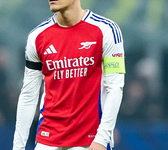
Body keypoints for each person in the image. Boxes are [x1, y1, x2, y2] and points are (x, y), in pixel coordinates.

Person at [12, 0, 125, 150]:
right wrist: (18, 147)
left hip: (89, 142)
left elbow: (115, 87)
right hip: (47, 140)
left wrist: (102, 138)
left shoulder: (107, 30)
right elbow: (28, 95)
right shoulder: (37, 37)